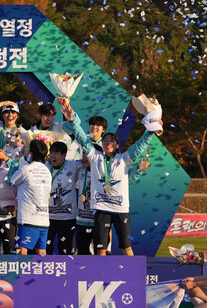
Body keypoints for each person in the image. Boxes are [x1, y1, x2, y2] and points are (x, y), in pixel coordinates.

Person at [60, 98, 160, 255]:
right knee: (100, 248)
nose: (108, 142)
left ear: (117, 145)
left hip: (120, 208)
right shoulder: (95, 156)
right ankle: (100, 269)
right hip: (101, 209)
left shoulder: (124, 159)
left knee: (126, 246)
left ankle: (133, 270)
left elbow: (139, 146)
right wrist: (72, 120)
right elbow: (81, 138)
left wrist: (151, 131)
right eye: (105, 140)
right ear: (102, 144)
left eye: (112, 140)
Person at [4, 139, 52, 256]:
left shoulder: (25, 169)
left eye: (27, 150)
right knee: (41, 252)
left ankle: (22, 269)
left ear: (31, 153)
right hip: (44, 220)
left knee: (21, 251)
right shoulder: (47, 171)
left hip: (28, 219)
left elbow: (11, 181)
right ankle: (44, 269)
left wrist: (14, 164)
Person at [44, 141, 82, 255]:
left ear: (64, 155)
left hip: (67, 218)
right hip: (47, 218)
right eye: (51, 153)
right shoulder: (46, 167)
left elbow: (89, 160)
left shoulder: (72, 165)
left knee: (65, 250)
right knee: (46, 249)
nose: (52, 156)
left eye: (56, 153)